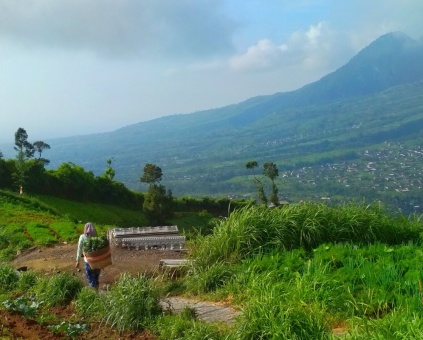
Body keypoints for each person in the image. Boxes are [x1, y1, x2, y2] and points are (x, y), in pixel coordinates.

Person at [75, 222, 101, 290]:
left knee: (90, 279)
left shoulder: (82, 237)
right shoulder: (97, 237)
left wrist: (77, 260)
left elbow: (79, 249)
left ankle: (93, 296)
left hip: (88, 262)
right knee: (96, 278)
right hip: (97, 262)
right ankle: (97, 294)